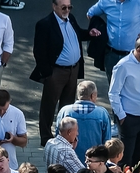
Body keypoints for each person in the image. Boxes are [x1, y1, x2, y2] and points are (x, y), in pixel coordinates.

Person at [31, 0, 93, 147]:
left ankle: (64, 136)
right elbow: (39, 51)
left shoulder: (71, 19)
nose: (67, 10)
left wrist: (89, 33)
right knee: (49, 105)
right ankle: (46, 137)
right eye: (63, 7)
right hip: (56, 71)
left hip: (73, 69)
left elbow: (78, 33)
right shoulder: (45, 24)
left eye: (69, 7)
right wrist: (48, 73)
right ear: (54, 6)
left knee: (67, 105)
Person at [86, 0, 140, 82]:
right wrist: (99, 28)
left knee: (133, 89)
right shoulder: (106, 1)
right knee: (114, 89)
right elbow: (90, 14)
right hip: (111, 55)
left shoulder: (139, 2)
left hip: (133, 56)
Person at [108, 36, 140, 169]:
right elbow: (113, 93)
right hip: (129, 118)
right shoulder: (123, 66)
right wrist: (122, 116)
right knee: (126, 157)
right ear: (139, 50)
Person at [55, 80, 111, 160]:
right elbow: (107, 141)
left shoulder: (65, 111)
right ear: (93, 95)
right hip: (94, 161)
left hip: (68, 159)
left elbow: (58, 136)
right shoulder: (102, 113)